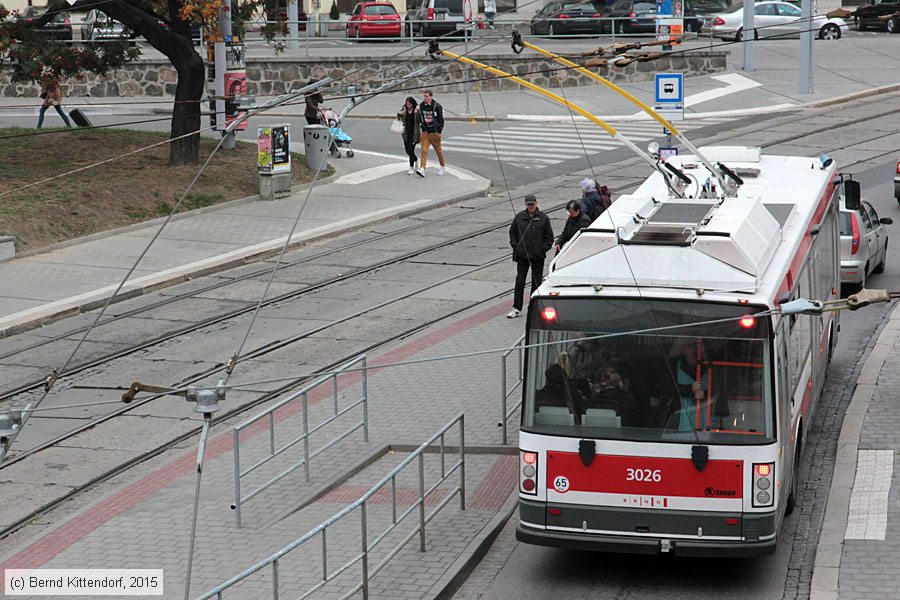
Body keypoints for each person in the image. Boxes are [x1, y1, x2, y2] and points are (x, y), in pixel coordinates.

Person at [507, 194, 553, 318]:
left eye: (533, 204)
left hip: (537, 257)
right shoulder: (519, 217)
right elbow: (512, 234)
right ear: (525, 205)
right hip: (522, 256)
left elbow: (549, 238)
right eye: (529, 204)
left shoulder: (543, 218)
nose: (531, 206)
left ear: (536, 203)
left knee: (536, 283)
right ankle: (516, 308)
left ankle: (534, 308)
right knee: (520, 282)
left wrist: (541, 249)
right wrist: (517, 247)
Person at [416, 89, 445, 177]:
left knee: (438, 150)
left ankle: (442, 167)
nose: (425, 98)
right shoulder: (421, 106)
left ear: (431, 97)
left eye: (427, 96)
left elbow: (441, 119)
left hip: (434, 132)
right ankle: (422, 169)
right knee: (424, 151)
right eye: (424, 96)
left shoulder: (437, 106)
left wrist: (439, 131)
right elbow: (419, 118)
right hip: (425, 132)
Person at [397, 96, 420, 175]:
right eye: (407, 104)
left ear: (412, 104)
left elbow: (420, 118)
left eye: (410, 104)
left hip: (414, 133)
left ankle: (411, 167)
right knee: (407, 150)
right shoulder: (404, 109)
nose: (408, 106)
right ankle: (416, 159)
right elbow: (398, 117)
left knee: (411, 149)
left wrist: (417, 110)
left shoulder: (416, 110)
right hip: (406, 133)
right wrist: (399, 114)